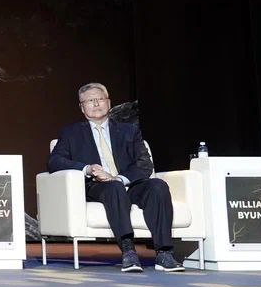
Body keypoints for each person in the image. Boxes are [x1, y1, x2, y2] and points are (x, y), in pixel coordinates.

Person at [48, 82, 185, 272]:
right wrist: (88, 169)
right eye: (90, 101)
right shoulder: (71, 133)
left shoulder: (129, 131)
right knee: (114, 188)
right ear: (82, 107)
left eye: (100, 99)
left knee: (158, 186)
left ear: (109, 102)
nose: (96, 104)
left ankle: (164, 253)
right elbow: (55, 161)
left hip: (129, 184)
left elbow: (144, 164)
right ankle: (128, 251)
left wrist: (120, 178)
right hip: (98, 187)